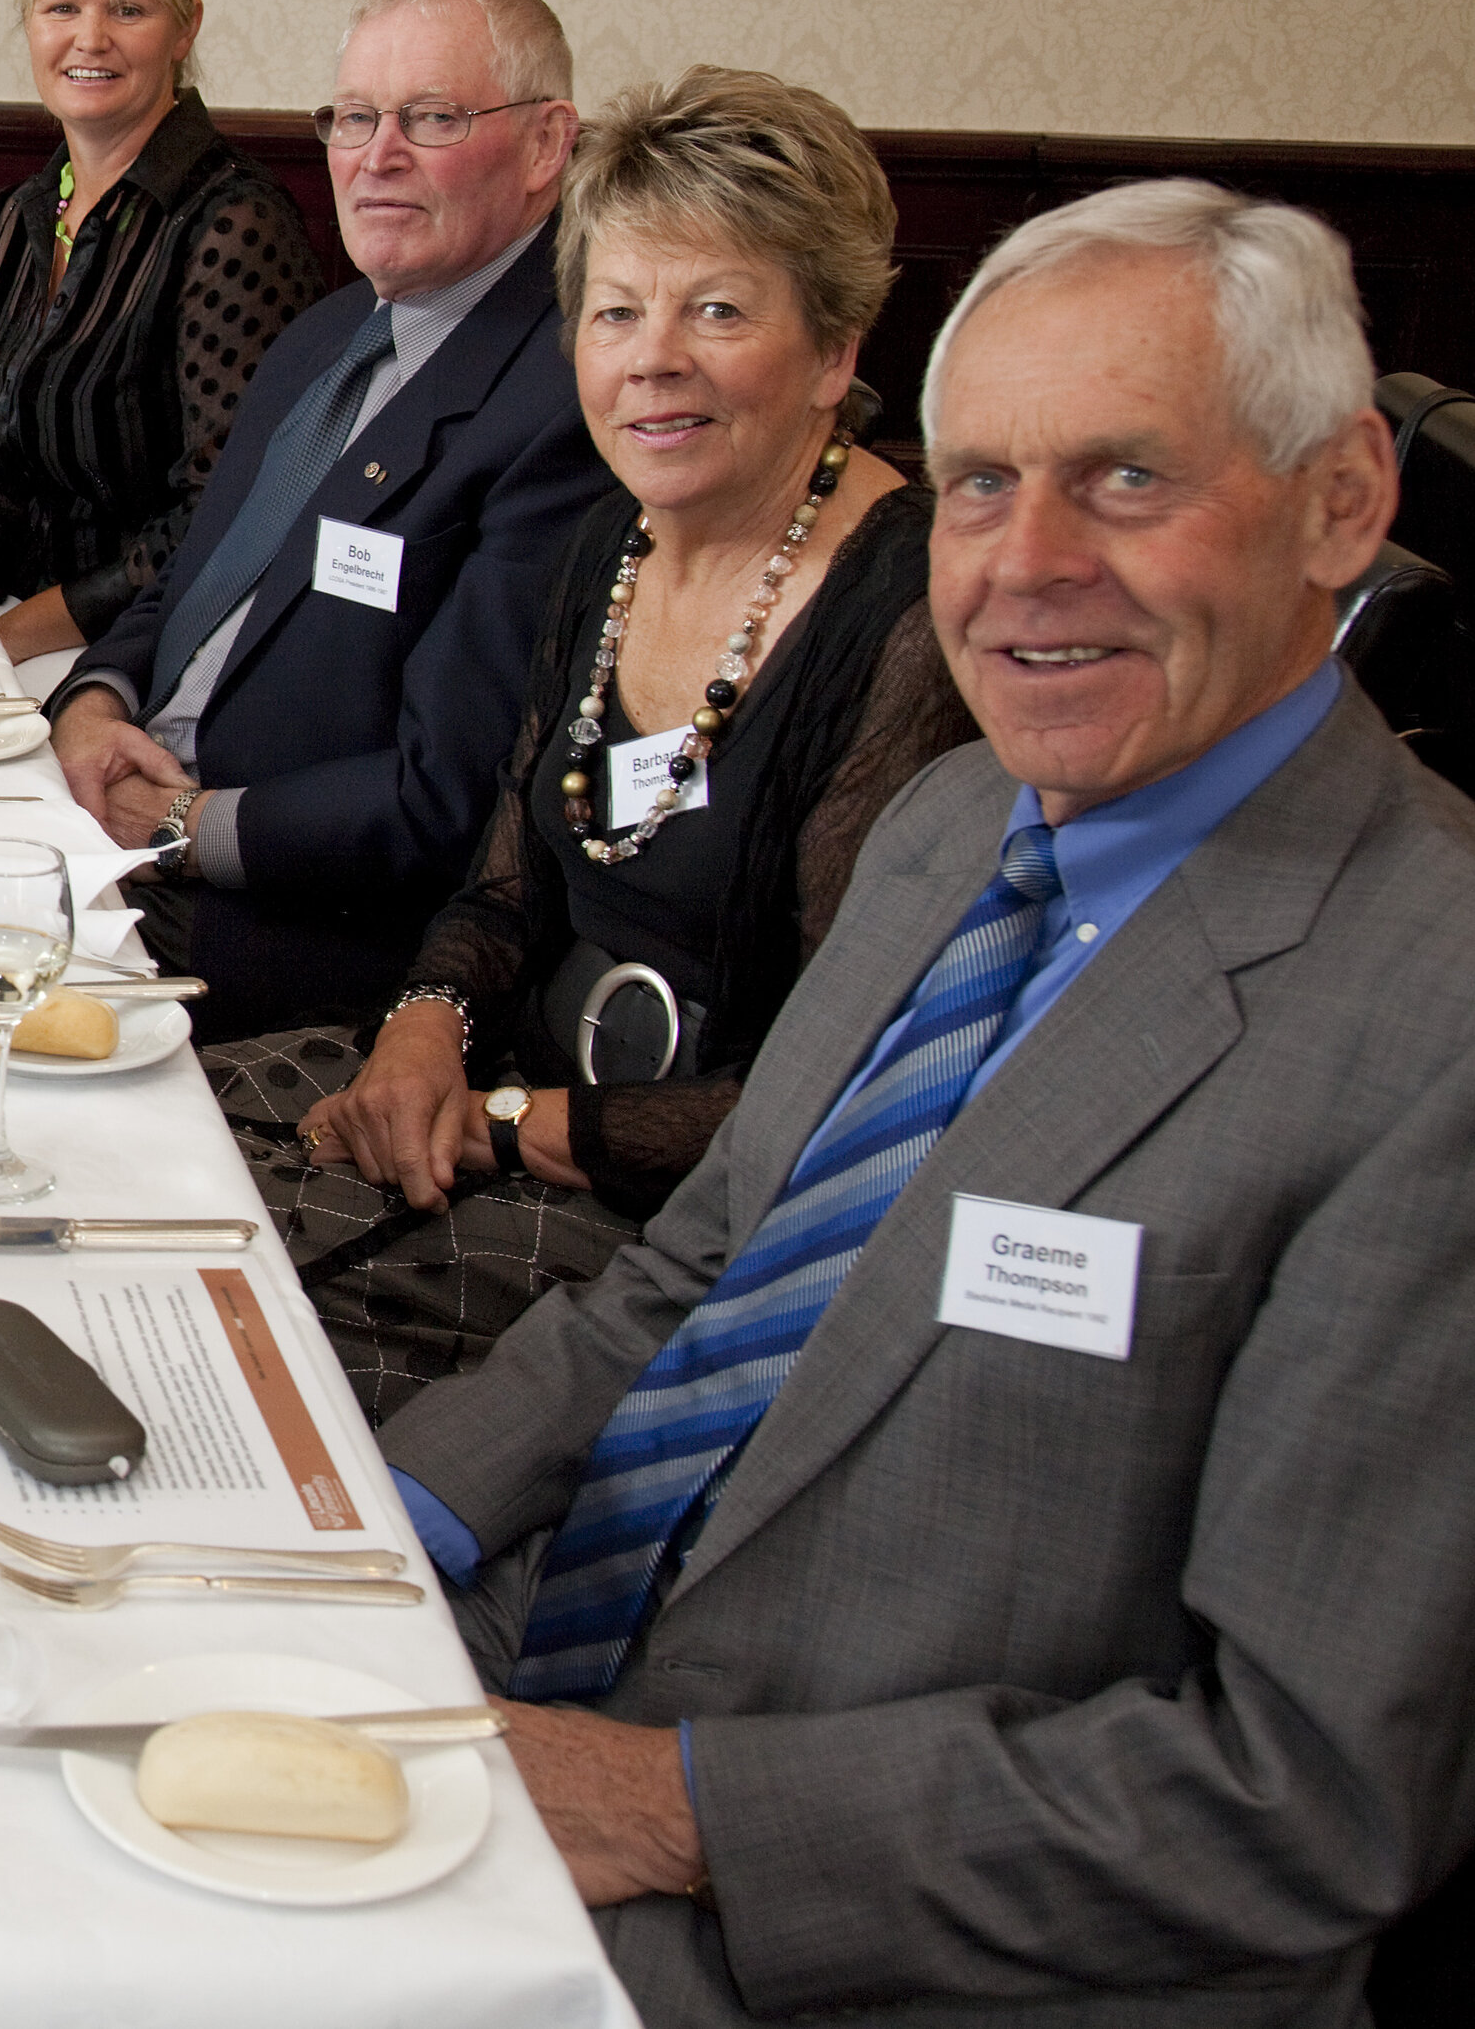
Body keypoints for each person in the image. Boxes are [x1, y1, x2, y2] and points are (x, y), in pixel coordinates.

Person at [385, 181, 1475, 2025]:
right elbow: (692, 1279)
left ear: (1339, 499)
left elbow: (1302, 1799)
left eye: (1123, 477)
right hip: (581, 1660)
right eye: (975, 482)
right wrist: (373, 1523)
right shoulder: (953, 823)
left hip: (872, 1913)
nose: (1018, 561)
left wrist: (671, 1809)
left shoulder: (1425, 1017)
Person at [258, 67, 978, 1416]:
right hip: (508, 1105)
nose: (651, 355)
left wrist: (514, 1121)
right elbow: (505, 877)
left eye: (714, 308)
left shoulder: (911, 616)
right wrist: (424, 1026)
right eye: (613, 310)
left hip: (694, 1227)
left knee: (238, 1355)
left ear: (833, 348)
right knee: (145, 1185)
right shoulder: (611, 542)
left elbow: (827, 1082)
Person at [47, 0, 614, 1037]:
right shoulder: (326, 335)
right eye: (355, 117)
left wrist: (177, 822)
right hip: (119, 838)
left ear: (547, 145)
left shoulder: (565, 398)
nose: (377, 156)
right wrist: (91, 707)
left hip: (282, 933)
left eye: (432, 118)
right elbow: (190, 588)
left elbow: (446, 799)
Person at [0, 0, 324, 667]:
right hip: (15, 628)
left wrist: (7, 641)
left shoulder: (233, 224)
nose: (89, 39)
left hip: (151, 646)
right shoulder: (19, 218)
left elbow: (227, 512)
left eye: (127, 10)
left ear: (185, 27)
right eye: (60, 9)